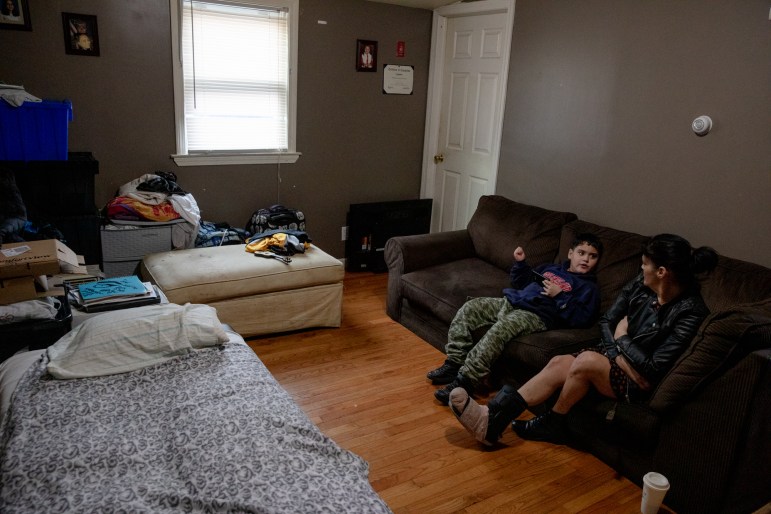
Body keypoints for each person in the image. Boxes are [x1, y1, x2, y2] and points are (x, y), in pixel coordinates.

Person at [449, 233, 718, 447]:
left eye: (645, 265)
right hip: (620, 364)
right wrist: (618, 352)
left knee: (586, 360)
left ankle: (551, 422)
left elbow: (653, 369)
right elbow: (606, 322)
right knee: (558, 362)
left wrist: (621, 338)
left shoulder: (690, 312)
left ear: (662, 271)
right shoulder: (640, 286)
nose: (641, 269)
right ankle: (492, 420)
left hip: (638, 383)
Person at [428, 233, 603, 405]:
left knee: (499, 330)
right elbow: (522, 281)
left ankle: (466, 381)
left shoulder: (588, 288)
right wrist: (520, 263)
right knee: (469, 308)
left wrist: (559, 296)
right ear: (571, 253)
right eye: (581, 253)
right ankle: (454, 362)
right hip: (511, 301)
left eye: (592, 256)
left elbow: (582, 319)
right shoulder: (550, 269)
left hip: (535, 316)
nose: (586, 259)